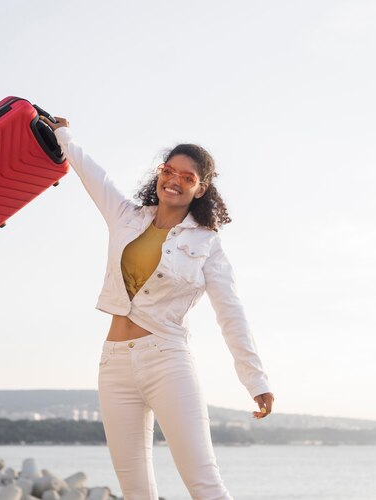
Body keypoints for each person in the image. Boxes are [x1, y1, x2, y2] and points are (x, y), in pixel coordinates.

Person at [41, 115, 275, 500]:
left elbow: (231, 313)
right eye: (169, 171)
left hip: (167, 360)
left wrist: (256, 379)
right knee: (135, 491)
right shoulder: (126, 217)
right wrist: (63, 134)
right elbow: (90, 172)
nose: (175, 180)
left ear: (201, 189)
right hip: (114, 363)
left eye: (188, 177)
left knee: (204, 482)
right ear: (159, 175)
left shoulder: (207, 244)